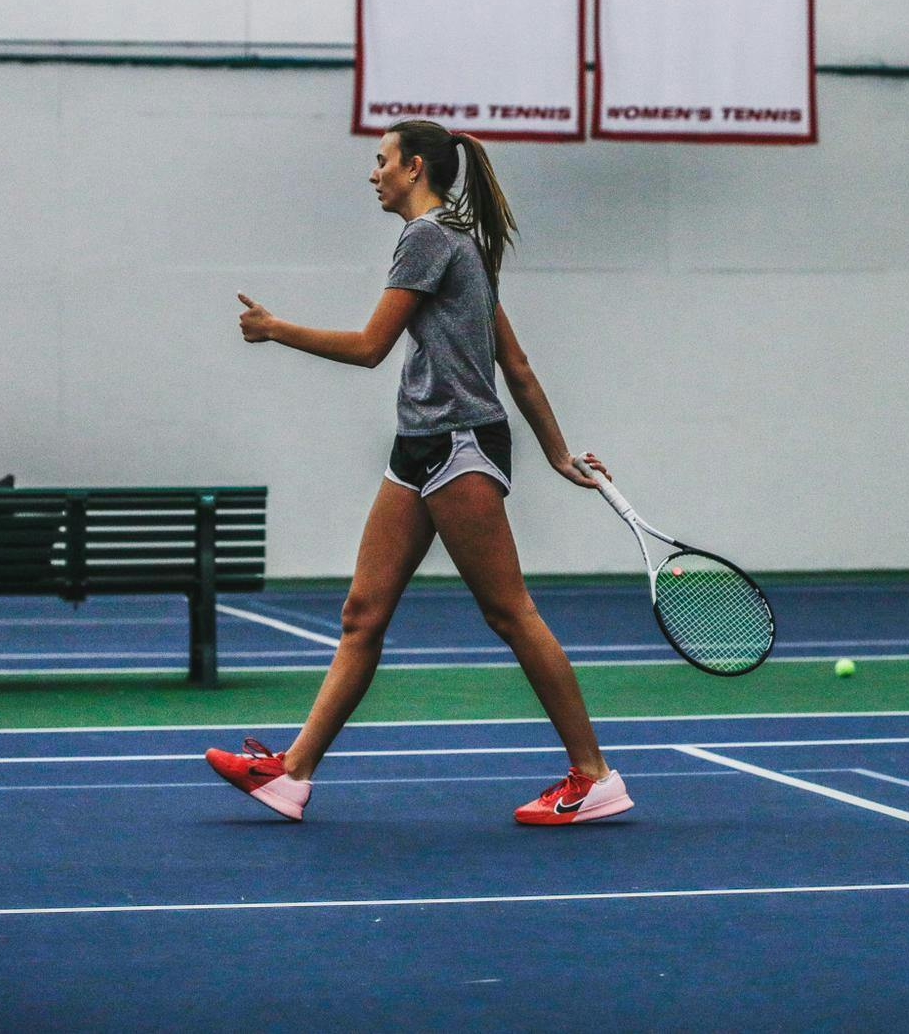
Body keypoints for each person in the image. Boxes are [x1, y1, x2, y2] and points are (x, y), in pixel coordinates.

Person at [205, 120, 631, 826]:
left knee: (509, 610)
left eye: (382, 162)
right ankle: (291, 773)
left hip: (459, 444)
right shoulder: (459, 241)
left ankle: (593, 774)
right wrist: (555, 452)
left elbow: (374, 346)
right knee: (362, 614)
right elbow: (515, 365)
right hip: (420, 445)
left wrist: (278, 329)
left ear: (415, 168)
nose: (374, 173)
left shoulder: (430, 237)